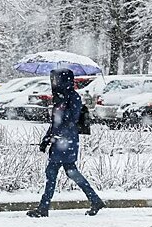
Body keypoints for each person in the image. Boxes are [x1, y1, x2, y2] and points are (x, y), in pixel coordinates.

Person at [26, 68, 105, 218]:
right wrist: (46, 139)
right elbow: (55, 123)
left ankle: (44, 207)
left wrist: (55, 135)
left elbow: (70, 120)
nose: (54, 82)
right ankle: (94, 200)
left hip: (66, 141)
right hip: (61, 141)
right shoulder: (60, 98)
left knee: (52, 172)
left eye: (56, 79)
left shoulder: (72, 97)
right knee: (70, 172)